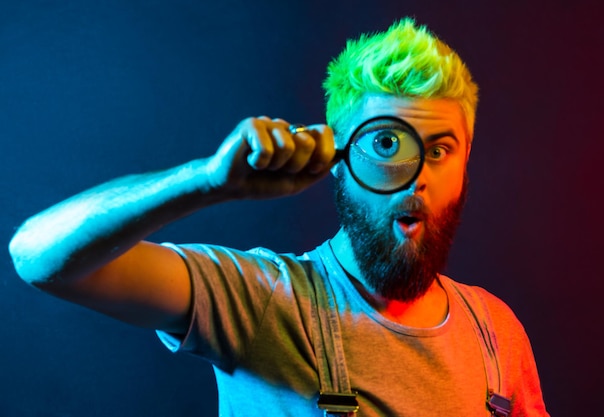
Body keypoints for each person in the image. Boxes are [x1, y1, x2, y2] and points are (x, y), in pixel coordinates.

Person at [8, 18, 549, 416]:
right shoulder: (260, 300)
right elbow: (37, 255)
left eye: (439, 150)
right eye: (386, 142)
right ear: (340, 159)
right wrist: (206, 180)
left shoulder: (496, 332)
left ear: (466, 165)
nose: (415, 177)